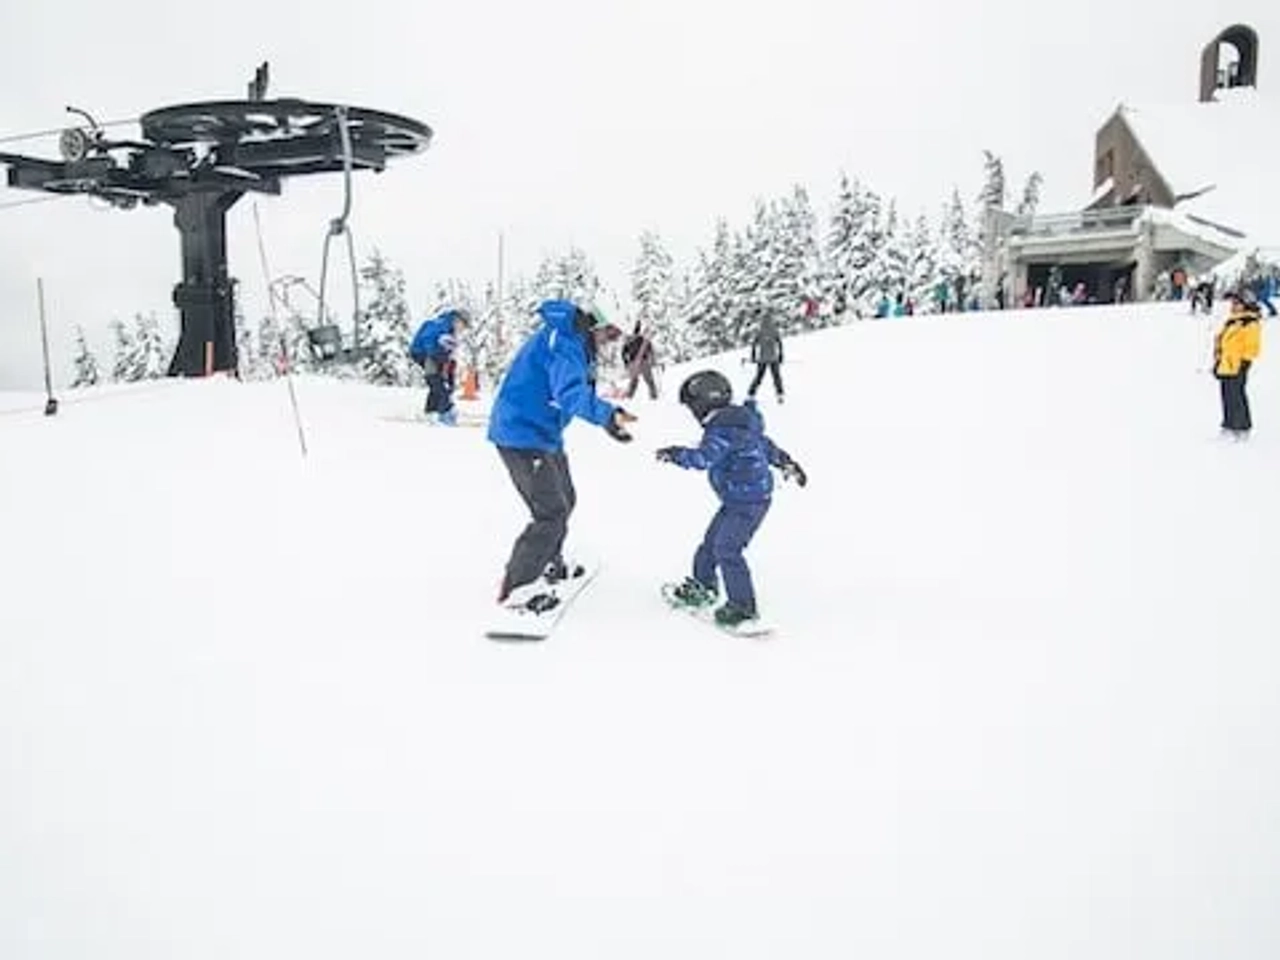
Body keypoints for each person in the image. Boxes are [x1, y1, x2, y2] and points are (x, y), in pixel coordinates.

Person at [487, 298, 637, 613]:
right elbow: (568, 393)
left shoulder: (575, 343)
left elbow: (576, 391)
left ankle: (548, 565)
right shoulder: (565, 343)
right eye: (607, 333)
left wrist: (607, 423)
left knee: (565, 499)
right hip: (521, 435)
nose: (609, 341)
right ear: (591, 326)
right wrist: (609, 416)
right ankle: (518, 588)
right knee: (551, 512)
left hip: (544, 435)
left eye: (614, 336)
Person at [655, 369, 807, 628]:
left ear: (703, 403)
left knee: (728, 549)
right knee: (710, 544)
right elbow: (767, 446)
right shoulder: (741, 423)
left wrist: (675, 454)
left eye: (692, 406)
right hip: (738, 499)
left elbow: (703, 458)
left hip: (749, 502)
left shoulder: (724, 430)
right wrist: (787, 463)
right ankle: (704, 586)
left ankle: (743, 607)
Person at [1213, 289, 1262, 438]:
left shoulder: (1250, 323)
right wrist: (1217, 361)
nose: (1233, 306)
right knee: (1226, 396)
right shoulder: (1232, 321)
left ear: (1245, 305)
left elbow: (1253, 345)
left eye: (1236, 303)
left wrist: (1245, 362)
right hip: (1225, 365)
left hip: (1238, 365)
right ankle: (1229, 424)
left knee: (1237, 396)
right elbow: (1221, 341)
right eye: (1232, 303)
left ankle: (1243, 426)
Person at [409, 308, 471, 424]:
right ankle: (445, 412)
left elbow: (448, 349)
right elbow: (428, 338)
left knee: (441, 383)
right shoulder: (441, 324)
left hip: (433, 355)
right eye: (463, 325)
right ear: (457, 320)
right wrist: (435, 354)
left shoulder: (449, 329)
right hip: (423, 353)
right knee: (437, 382)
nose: (462, 329)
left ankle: (431, 411)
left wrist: (449, 361)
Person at [747, 313, 785, 403]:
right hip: (773, 358)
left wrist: (753, 356)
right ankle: (780, 394)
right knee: (776, 377)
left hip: (762, 358)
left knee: (759, 377)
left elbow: (754, 345)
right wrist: (781, 355)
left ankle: (751, 393)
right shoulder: (774, 331)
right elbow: (779, 344)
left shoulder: (760, 331)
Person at [621, 321, 659, 400]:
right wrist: (652, 359)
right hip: (640, 361)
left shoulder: (631, 340)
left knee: (637, 381)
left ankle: (630, 397)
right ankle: (653, 396)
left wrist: (626, 363)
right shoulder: (640, 339)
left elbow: (624, 353)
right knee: (647, 380)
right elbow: (650, 349)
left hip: (635, 362)